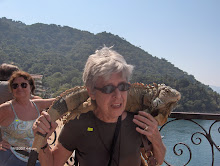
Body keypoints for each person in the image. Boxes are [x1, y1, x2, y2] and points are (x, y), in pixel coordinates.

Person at [33, 46, 166, 166]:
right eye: (108, 88)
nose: (118, 95)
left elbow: (157, 161)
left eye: (123, 86)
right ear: (91, 92)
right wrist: (43, 141)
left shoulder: (138, 121)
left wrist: (156, 138)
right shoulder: (78, 124)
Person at [0, 70, 55, 166]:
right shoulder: (6, 109)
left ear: (31, 87)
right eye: (15, 86)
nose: (19, 88)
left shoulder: (37, 104)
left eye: (23, 85)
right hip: (12, 158)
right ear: (12, 90)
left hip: (37, 159)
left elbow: (58, 102)